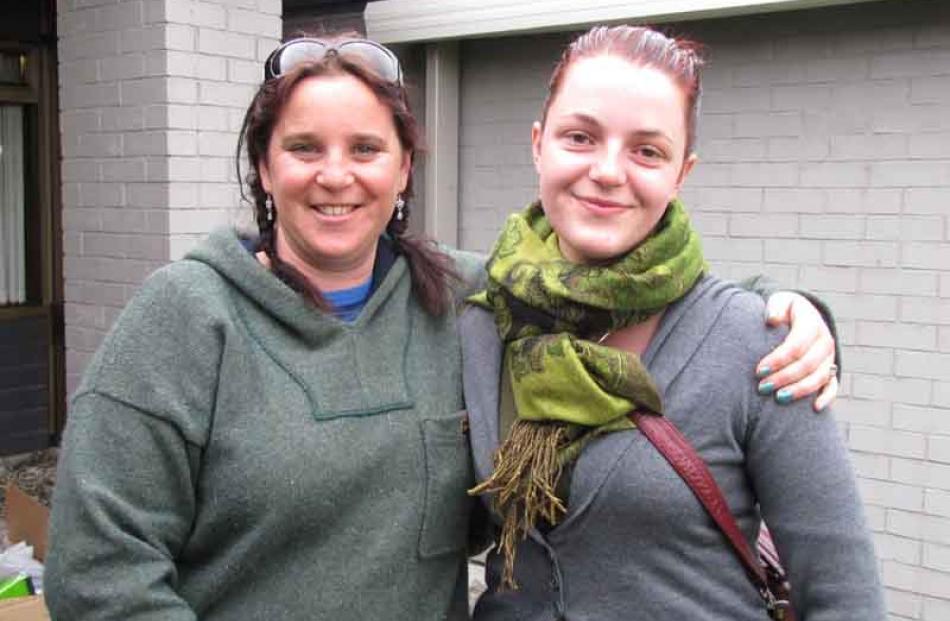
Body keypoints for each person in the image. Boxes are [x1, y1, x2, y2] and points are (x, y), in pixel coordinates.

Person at [44, 35, 839, 621]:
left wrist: (793, 310)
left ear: (402, 170)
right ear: (263, 166)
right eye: (303, 147)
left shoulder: (466, 298)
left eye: (366, 148)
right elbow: (100, 573)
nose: (335, 175)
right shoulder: (182, 317)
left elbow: (610, 290)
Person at [462, 26, 884, 620]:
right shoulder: (483, 317)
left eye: (647, 151)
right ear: (538, 145)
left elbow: (846, 598)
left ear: (681, 172)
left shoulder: (757, 342)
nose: (608, 171)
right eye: (580, 137)